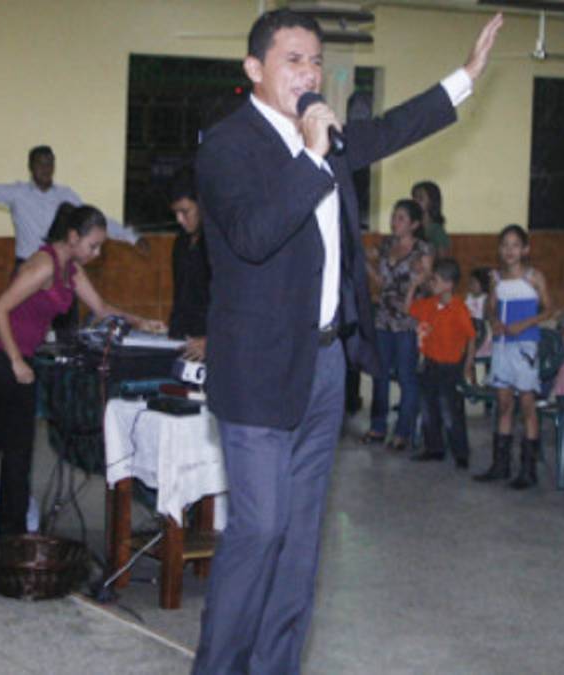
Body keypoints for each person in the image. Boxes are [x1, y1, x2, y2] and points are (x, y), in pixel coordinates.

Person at [190, 8, 502, 673]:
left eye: (314, 61)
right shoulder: (227, 145)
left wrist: (465, 78)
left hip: (326, 361)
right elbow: (250, 235)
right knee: (261, 528)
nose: (308, 73)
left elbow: (391, 130)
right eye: (292, 60)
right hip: (258, 371)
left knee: (301, 543)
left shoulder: (328, 139)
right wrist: (309, 155)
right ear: (254, 70)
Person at [0, 205, 163, 537]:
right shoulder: (43, 265)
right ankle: (10, 538)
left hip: (19, 356)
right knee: (16, 449)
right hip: (2, 356)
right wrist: (16, 361)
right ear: (73, 237)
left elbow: (100, 308)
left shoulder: (70, 268)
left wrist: (140, 321)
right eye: (93, 245)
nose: (97, 253)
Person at [0, 145, 147, 265]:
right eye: (40, 164)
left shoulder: (65, 196)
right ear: (30, 166)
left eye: (49, 163)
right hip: (28, 265)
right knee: (24, 323)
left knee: (66, 325)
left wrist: (132, 237)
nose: (45, 169)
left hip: (60, 266)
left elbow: (94, 221)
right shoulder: (17, 193)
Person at [474, 224, 553, 489]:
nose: (509, 250)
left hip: (525, 345)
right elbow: (490, 309)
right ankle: (501, 464)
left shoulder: (533, 277)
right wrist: (494, 320)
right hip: (502, 346)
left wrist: (525, 324)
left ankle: (528, 469)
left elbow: (548, 309)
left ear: (525, 249)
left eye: (515, 245)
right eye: (505, 245)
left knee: (527, 405)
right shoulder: (496, 278)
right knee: (504, 404)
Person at [364, 198, 434, 450]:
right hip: (384, 317)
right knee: (379, 374)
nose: (395, 222)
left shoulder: (422, 250)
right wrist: (366, 266)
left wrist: (420, 277)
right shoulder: (386, 246)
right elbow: (383, 282)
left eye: (401, 218)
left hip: (408, 320)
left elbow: (427, 286)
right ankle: (378, 426)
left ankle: (403, 431)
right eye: (394, 216)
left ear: (414, 224)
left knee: (406, 375)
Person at [406, 258, 476, 467]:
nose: (431, 283)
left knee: (450, 410)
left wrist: (468, 365)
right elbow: (408, 308)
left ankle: (460, 453)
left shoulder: (459, 309)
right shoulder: (429, 304)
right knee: (428, 407)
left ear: (449, 284)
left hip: (450, 367)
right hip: (430, 363)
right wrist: (413, 285)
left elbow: (470, 337)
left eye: (435, 280)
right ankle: (434, 447)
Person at [166, 170, 209, 361]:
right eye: (175, 213)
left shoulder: (218, 246)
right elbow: (180, 296)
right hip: (182, 339)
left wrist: (211, 340)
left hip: (211, 342)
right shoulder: (181, 243)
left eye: (185, 212)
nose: (179, 220)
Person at [412, 179, 452, 257]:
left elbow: (442, 259)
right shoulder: (412, 226)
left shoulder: (436, 230)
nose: (415, 202)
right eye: (414, 198)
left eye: (420, 198)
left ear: (431, 202)